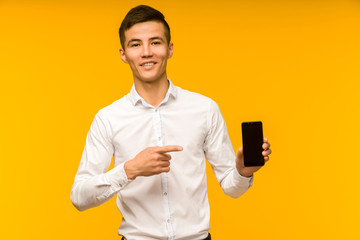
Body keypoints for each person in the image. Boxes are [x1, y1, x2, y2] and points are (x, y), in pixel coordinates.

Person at [70, 5, 272, 240]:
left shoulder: (204, 109)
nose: (146, 52)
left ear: (170, 48)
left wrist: (242, 171)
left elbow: (231, 187)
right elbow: (79, 197)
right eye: (136, 44)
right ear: (123, 54)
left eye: (155, 42)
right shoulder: (108, 118)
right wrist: (130, 170)